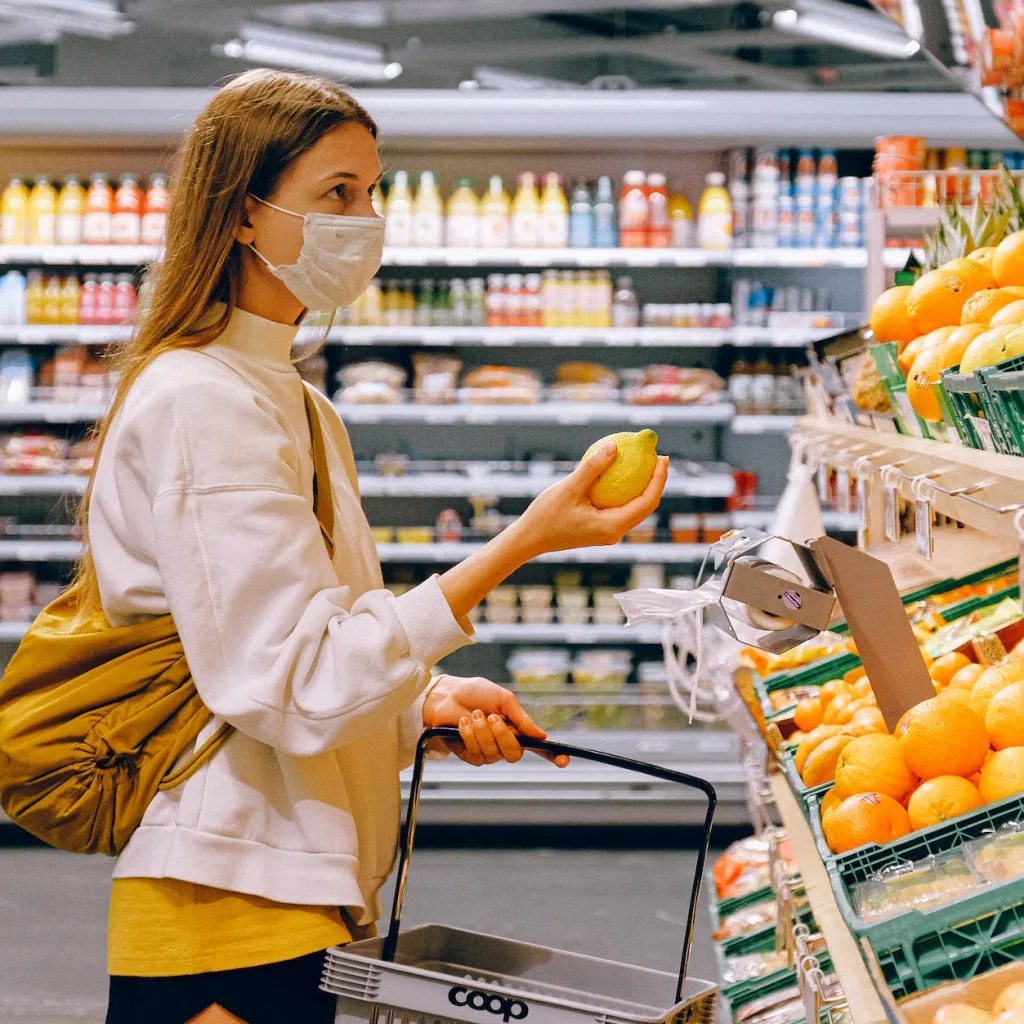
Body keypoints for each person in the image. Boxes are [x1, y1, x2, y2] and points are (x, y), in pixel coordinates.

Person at [89, 69, 668, 1024]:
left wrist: (418, 702)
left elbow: (302, 646)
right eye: (337, 195)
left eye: (374, 190)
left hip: (293, 888)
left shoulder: (294, 402)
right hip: (229, 899)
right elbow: (287, 679)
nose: (367, 219)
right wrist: (520, 543)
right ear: (242, 214)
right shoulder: (203, 401)